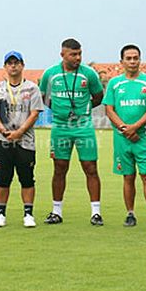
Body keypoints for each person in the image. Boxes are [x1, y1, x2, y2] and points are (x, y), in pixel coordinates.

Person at [39, 38, 105, 226]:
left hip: (83, 125)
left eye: (79, 54)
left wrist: (84, 109)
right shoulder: (51, 74)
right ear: (63, 55)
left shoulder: (88, 74)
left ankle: (96, 212)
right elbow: (43, 96)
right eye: (73, 54)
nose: (77, 58)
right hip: (60, 126)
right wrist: (57, 109)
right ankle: (56, 211)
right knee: (59, 167)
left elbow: (98, 96)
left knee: (90, 167)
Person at [103, 45, 146, 229]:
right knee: (128, 177)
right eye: (128, 58)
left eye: (135, 58)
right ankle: (130, 214)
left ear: (140, 60)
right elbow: (109, 109)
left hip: (142, 137)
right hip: (122, 139)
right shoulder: (114, 83)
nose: (132, 61)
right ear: (121, 62)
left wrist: (135, 128)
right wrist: (124, 128)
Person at [0, 51, 44, 228]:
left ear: (22, 65)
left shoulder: (32, 88)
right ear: (5, 66)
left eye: (16, 62)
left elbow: (34, 113)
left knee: (27, 178)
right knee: (2, 179)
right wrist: (4, 131)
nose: (13, 66)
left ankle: (28, 214)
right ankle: (0, 214)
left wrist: (19, 132)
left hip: (25, 141)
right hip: (2, 139)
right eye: (10, 63)